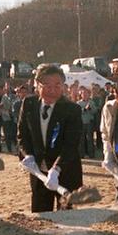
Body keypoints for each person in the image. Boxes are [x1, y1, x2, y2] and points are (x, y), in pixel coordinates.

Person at [17, 64, 83, 212]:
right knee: (41, 217)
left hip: (66, 172)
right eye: (47, 85)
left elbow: (71, 144)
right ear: (36, 85)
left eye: (57, 85)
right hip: (39, 172)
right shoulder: (29, 104)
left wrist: (57, 169)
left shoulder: (72, 109)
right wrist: (27, 156)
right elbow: (22, 135)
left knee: (68, 217)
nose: (52, 90)